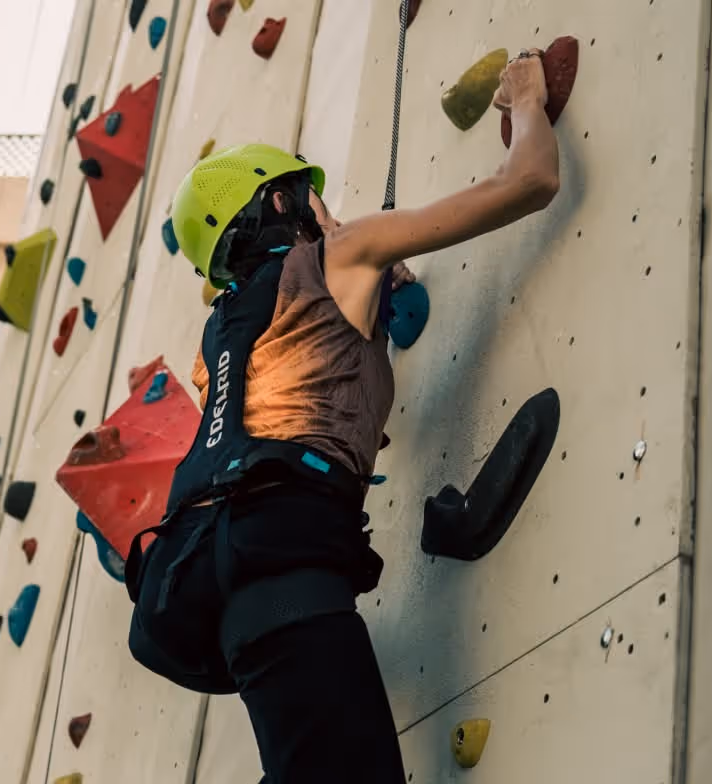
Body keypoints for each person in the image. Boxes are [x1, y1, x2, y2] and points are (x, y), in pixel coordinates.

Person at [126, 49, 559, 782]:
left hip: (213, 585)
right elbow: (529, 181)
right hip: (288, 569)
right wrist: (526, 102)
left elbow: (303, 395)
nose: (328, 207)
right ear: (278, 204)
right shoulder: (344, 251)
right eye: (308, 195)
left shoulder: (223, 336)